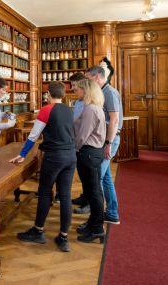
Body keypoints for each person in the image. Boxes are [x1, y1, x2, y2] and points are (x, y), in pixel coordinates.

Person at [10, 82, 76, 252]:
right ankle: (63, 237)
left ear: (48, 94)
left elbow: (33, 136)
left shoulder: (46, 110)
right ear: (63, 94)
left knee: (45, 192)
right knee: (66, 195)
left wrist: (22, 154)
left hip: (54, 157)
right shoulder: (70, 110)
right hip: (70, 156)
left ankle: (38, 231)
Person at [76, 66, 123, 229]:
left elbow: (114, 120)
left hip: (109, 140)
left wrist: (109, 143)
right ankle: (111, 212)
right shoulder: (102, 93)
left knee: (96, 181)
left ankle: (95, 218)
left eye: (88, 78)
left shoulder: (108, 92)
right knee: (105, 178)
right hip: (103, 140)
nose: (87, 82)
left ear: (97, 77)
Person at [72, 79, 107, 243]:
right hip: (92, 153)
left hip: (88, 153)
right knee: (92, 191)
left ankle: (97, 228)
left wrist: (74, 149)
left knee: (93, 193)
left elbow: (82, 136)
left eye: (78, 89)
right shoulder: (94, 108)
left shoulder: (91, 110)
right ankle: (93, 224)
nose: (76, 92)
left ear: (86, 91)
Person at [54, 72, 87, 205]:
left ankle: (88, 202)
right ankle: (84, 197)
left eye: (74, 85)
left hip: (82, 142)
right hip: (75, 139)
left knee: (87, 174)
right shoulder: (79, 101)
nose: (72, 88)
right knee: (81, 172)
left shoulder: (88, 102)